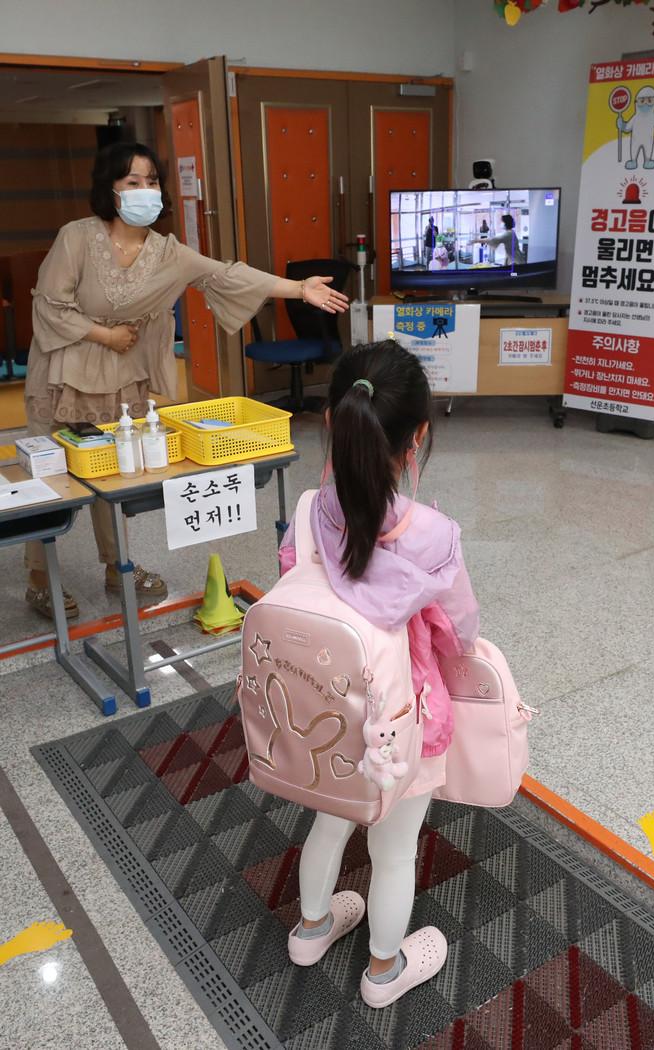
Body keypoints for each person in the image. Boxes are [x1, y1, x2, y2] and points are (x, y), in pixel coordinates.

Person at [23, 142, 348, 621]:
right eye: (133, 182)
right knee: (51, 478)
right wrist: (106, 334)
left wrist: (299, 289)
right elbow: (49, 305)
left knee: (114, 471)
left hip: (122, 379)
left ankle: (117, 565)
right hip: (62, 373)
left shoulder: (167, 253)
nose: (145, 190)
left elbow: (229, 275)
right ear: (110, 189)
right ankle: (39, 577)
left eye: (152, 181)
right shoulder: (77, 237)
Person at [278, 341, 479, 1008]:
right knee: (394, 852)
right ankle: (384, 972)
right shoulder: (433, 535)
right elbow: (459, 632)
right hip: (400, 722)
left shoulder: (309, 512)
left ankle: (311, 930)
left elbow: (297, 588)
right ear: (417, 437)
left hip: (322, 711)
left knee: (328, 822)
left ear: (332, 422)